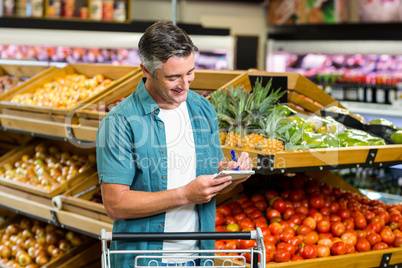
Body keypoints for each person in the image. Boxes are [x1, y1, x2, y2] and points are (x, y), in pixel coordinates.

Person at [96, 20, 253, 268]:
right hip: (144, 261)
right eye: (173, 77)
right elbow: (115, 204)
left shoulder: (202, 108)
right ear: (146, 70)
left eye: (190, 72)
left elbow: (208, 175)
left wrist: (228, 173)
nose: (185, 84)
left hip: (199, 258)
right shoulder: (120, 122)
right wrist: (184, 195)